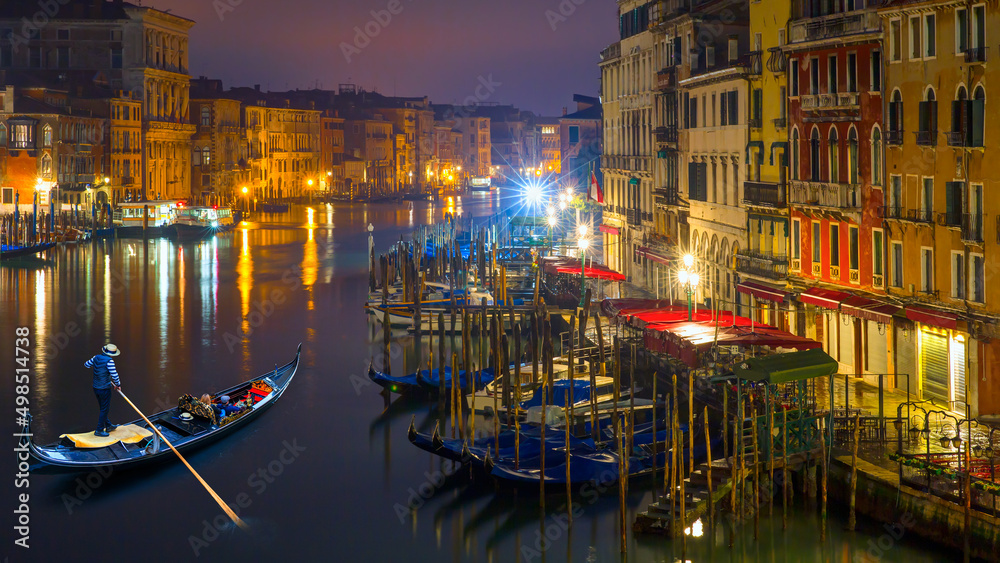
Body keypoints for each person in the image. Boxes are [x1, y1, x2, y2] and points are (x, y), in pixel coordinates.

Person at [84, 344, 122, 437]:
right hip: (104, 388)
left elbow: (86, 365)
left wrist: (98, 366)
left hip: (96, 388)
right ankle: (99, 430)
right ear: (112, 354)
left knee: (102, 408)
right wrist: (118, 385)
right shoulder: (110, 361)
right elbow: (115, 375)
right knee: (104, 409)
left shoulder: (96, 357)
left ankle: (108, 426)